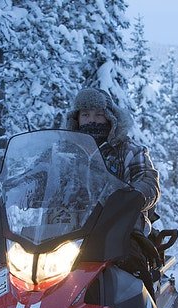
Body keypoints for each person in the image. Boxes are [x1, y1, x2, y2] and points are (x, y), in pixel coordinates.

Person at [65, 87, 162, 286]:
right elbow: (44, 175)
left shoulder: (130, 151)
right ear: (77, 118)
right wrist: (24, 189)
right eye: (85, 114)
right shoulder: (64, 153)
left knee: (133, 268)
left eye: (98, 114)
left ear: (110, 117)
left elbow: (147, 177)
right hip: (67, 231)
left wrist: (137, 193)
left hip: (118, 230)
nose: (92, 120)